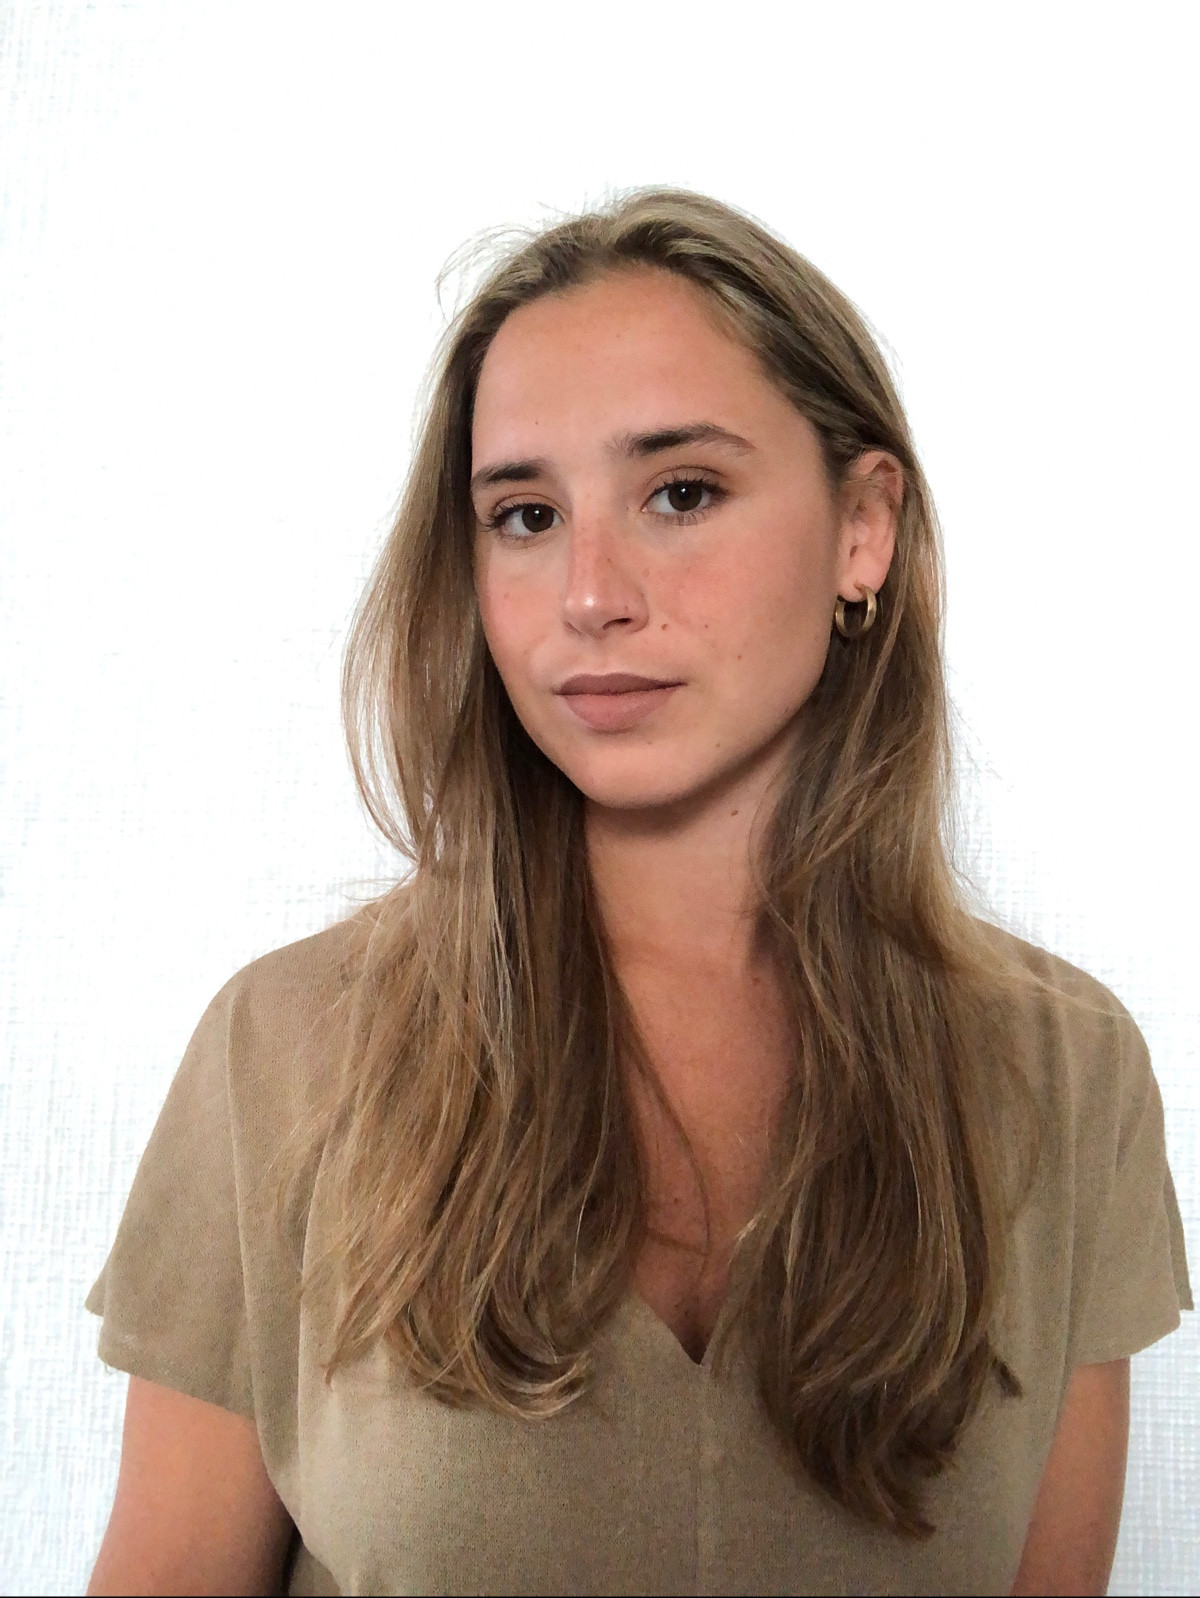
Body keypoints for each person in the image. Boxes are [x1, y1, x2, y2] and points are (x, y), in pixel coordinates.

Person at [84, 189, 1191, 1597]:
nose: (589, 594)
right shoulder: (290, 1052)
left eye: (681, 493)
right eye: (525, 515)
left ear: (863, 529)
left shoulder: (1064, 1072)